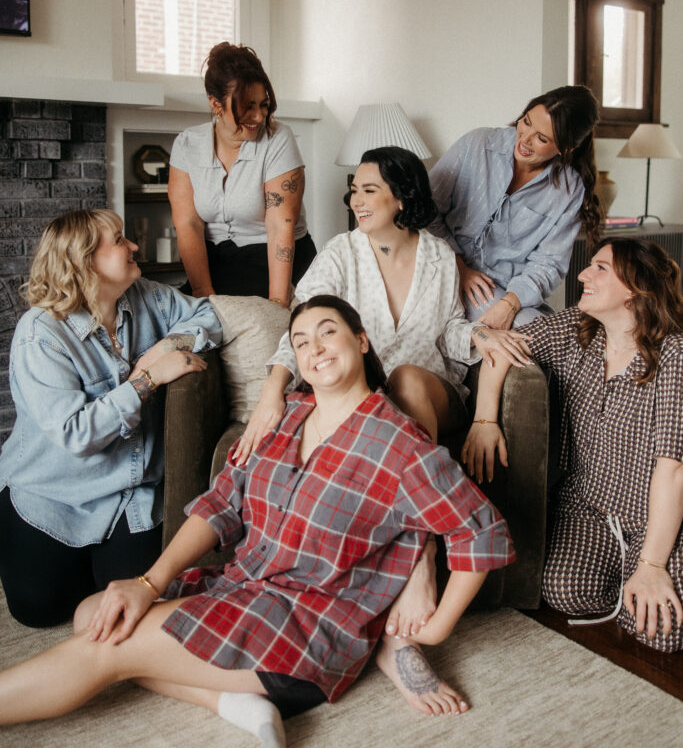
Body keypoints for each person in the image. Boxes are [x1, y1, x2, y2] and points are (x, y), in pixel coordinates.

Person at [0, 295, 515, 742]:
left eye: (328, 333)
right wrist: (147, 581)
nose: (314, 348)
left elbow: (479, 530)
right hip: (243, 588)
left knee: (106, 645)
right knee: (95, 610)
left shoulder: (400, 445)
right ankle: (233, 703)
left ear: (361, 342)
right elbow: (221, 505)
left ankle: (254, 689)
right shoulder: (287, 417)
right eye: (301, 341)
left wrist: (434, 632)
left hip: (306, 631)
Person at [0, 209, 221, 628]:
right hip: (53, 493)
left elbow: (208, 314)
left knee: (135, 604)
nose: (134, 245)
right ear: (85, 261)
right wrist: (147, 379)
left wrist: (166, 346)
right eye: (120, 240)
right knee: (38, 610)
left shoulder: (147, 297)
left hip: (128, 493)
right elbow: (75, 433)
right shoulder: (41, 333)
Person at [237, 146, 531, 460]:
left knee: (407, 377)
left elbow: (449, 330)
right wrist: (272, 390)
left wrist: (480, 334)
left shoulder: (440, 256)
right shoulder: (340, 253)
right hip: (361, 392)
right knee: (368, 405)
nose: (356, 201)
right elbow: (304, 327)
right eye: (353, 191)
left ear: (402, 196)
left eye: (369, 190)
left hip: (430, 389)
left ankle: (418, 487)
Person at [463, 237, 683, 652]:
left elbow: (672, 469)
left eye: (599, 268)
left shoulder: (674, 355)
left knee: (666, 633)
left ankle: (642, 571)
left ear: (635, 288)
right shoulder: (575, 329)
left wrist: (652, 565)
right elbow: (498, 345)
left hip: (655, 517)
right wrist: (485, 419)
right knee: (564, 590)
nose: (583, 274)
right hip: (590, 507)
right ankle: (625, 579)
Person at [429, 84, 601, 329]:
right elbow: (426, 210)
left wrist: (510, 303)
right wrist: (459, 267)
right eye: (526, 121)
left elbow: (549, 262)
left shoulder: (568, 190)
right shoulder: (477, 145)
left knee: (546, 332)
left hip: (507, 292)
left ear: (566, 149)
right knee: (532, 333)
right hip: (445, 270)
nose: (525, 139)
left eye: (542, 139)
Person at [169, 42, 316, 303]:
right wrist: (203, 294)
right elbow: (188, 224)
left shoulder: (278, 138)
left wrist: (278, 304)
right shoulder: (187, 144)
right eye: (248, 106)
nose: (259, 116)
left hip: (271, 259)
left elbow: (279, 225)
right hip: (218, 261)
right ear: (216, 104)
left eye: (263, 105)